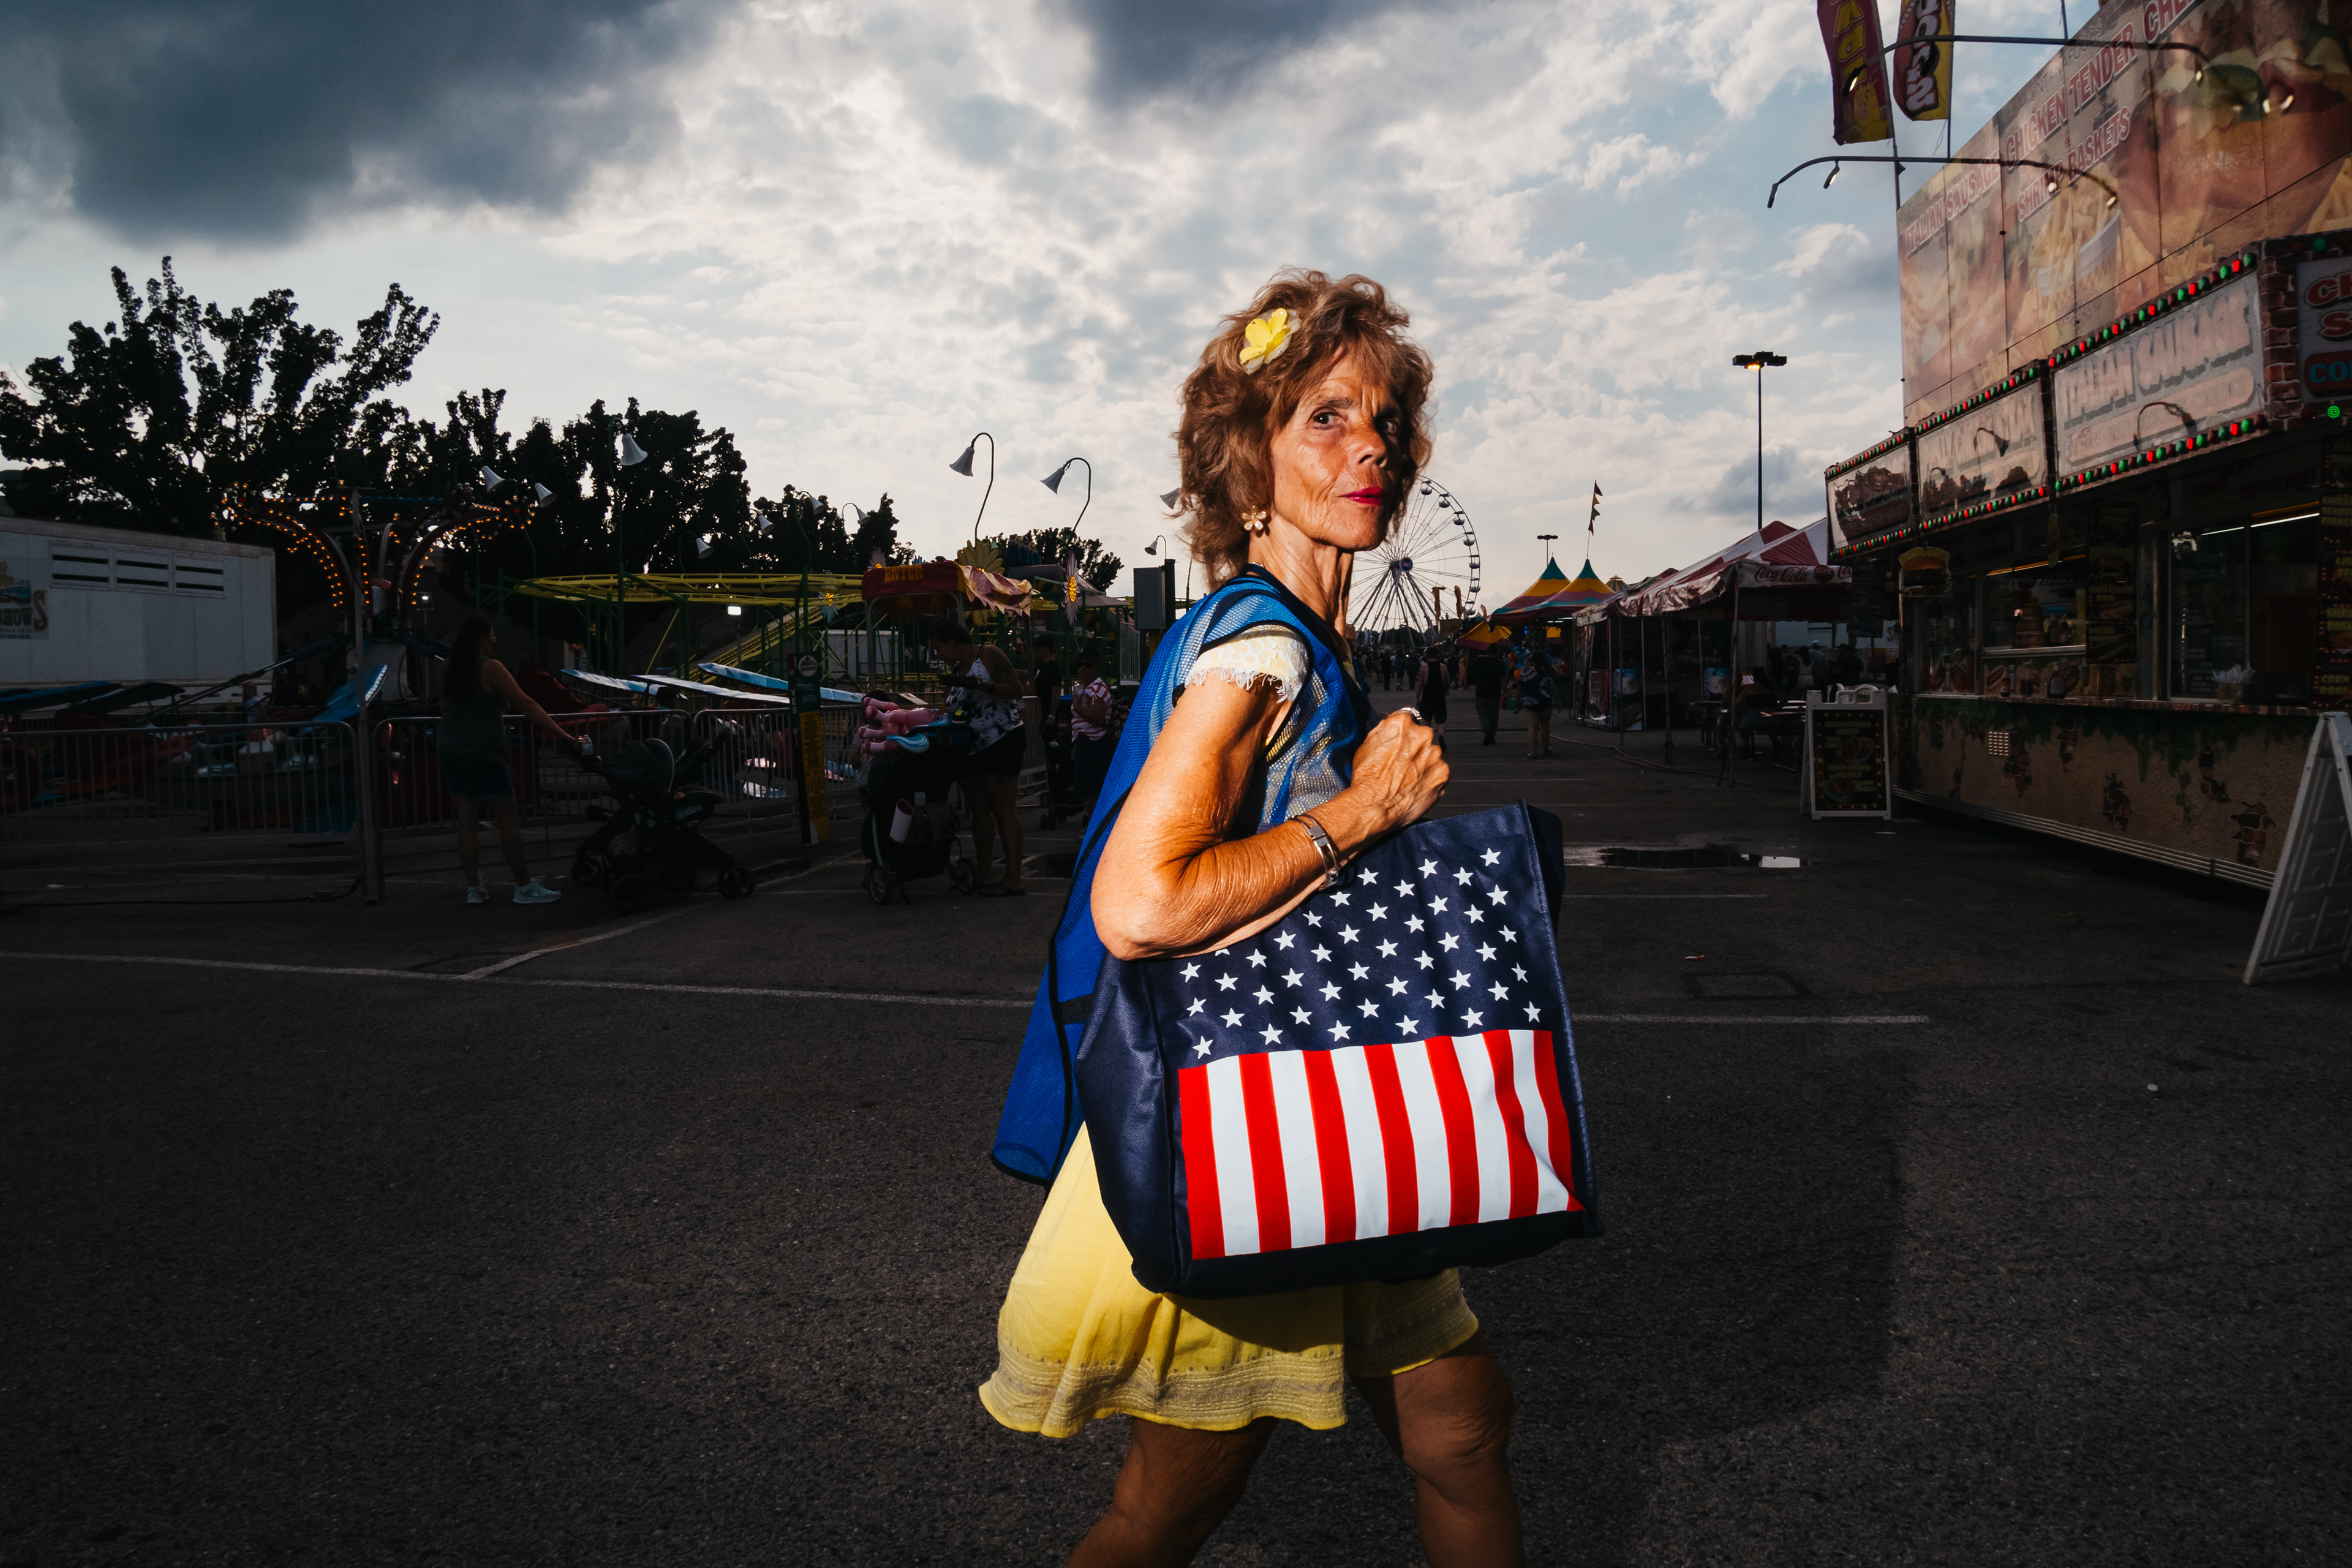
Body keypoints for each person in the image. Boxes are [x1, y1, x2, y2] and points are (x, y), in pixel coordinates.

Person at [979, 270, 1524, 1566]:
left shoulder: (1310, 642)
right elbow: (1141, 901)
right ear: (1250, 457)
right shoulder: (1263, 650)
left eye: (1385, 419)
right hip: (1257, 1126)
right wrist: (1365, 811)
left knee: (1460, 1427)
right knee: (1173, 1501)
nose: (1371, 446)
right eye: (1325, 417)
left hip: (1338, 1105)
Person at [437, 615, 573, 904]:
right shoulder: (490, 668)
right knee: (509, 821)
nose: (493, 642)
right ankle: (524, 886)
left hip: (450, 751)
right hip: (484, 753)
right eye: (493, 637)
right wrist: (562, 735)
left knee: (467, 819)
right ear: (482, 639)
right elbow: (526, 704)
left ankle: (474, 888)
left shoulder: (447, 668)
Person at [936, 622, 1028, 896]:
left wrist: (985, 687)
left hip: (1001, 740)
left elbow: (1015, 689)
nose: (938, 654)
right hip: (969, 746)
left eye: (939, 648)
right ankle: (985, 876)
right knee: (980, 810)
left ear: (952, 642)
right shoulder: (956, 672)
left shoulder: (987, 655)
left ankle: (1013, 879)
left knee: (1003, 809)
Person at [1068, 646, 1114, 824]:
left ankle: (1102, 826)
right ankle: (1096, 824)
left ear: (1096, 668)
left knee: (1096, 788)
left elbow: (1097, 718)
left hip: (1094, 743)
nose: (1082, 668)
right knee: (1082, 787)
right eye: (1079, 664)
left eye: (1086, 665)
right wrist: (1077, 743)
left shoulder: (1099, 690)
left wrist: (1079, 708)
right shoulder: (1087, 689)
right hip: (1085, 743)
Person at [1466, 644, 1506, 745]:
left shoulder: (1478, 662)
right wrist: (1505, 692)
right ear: (1496, 652)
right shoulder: (1499, 663)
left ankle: (1487, 729)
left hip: (1481, 691)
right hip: (1495, 692)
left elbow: (1471, 676)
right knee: (1494, 715)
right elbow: (1502, 679)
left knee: (1483, 712)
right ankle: (1491, 734)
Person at [1521, 646, 1554, 758]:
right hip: (1545, 701)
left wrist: (1517, 700)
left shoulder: (1525, 673)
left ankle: (1532, 751)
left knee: (1533, 727)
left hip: (1530, 702)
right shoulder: (1548, 673)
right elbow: (1553, 687)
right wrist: (1558, 700)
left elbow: (1520, 687)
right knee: (1545, 725)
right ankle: (1545, 747)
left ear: (1532, 660)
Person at [1414, 648, 1449, 739]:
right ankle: (1441, 735)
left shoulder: (1424, 668)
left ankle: (1428, 739)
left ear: (1427, 656)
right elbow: (1447, 682)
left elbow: (1420, 684)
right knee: (1440, 720)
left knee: (1427, 719)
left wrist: (1418, 698)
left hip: (1427, 697)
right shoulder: (1443, 667)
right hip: (1440, 696)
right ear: (1437, 655)